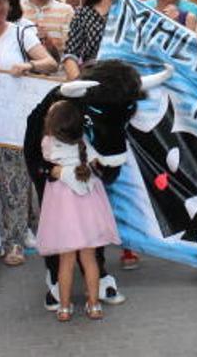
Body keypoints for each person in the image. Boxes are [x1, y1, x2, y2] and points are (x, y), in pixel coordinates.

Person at [53, 0, 132, 304]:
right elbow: (70, 54)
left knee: (124, 180)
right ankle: (96, 266)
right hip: (92, 110)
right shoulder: (83, 14)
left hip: (125, 109)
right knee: (92, 184)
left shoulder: (135, 9)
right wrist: (80, 91)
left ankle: (131, 240)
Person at [0, 0, 56, 266]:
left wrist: (29, 66)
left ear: (7, 7)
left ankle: (15, 241)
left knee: (16, 184)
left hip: (12, 125)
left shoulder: (21, 32)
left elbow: (49, 63)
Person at [36, 100, 121, 322]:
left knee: (66, 261)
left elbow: (43, 164)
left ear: (53, 124)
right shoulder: (84, 145)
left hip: (63, 214)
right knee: (90, 259)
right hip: (88, 213)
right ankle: (93, 305)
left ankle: (64, 307)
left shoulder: (48, 143)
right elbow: (98, 164)